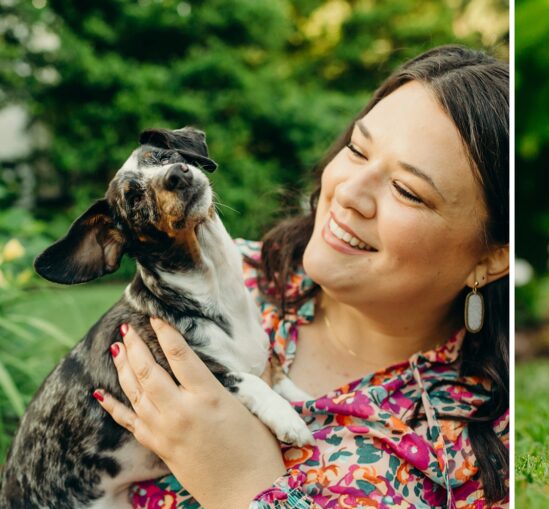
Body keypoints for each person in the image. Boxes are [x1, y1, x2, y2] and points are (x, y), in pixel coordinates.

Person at [93, 45, 510, 508]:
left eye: (407, 191)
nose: (349, 192)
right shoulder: (199, 287)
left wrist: (246, 490)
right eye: (357, 148)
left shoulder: (478, 452)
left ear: (492, 258)